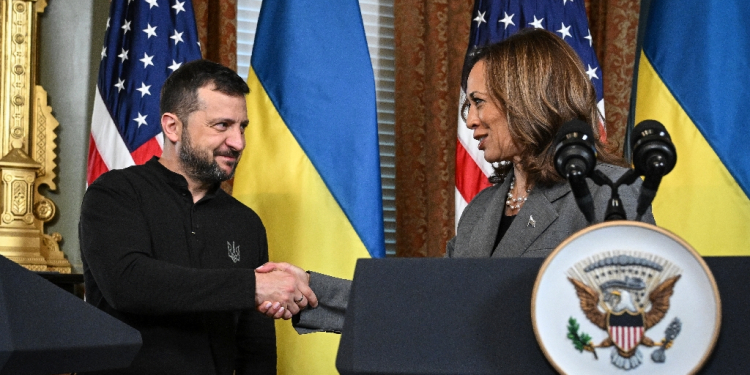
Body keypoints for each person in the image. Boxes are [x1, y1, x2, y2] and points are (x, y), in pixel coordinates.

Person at [257, 28, 655, 331]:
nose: (469, 120)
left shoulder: (608, 192)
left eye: (478, 102)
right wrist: (310, 289)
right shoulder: (482, 210)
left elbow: (637, 319)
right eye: (468, 105)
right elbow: (432, 305)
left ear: (526, 100)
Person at [79, 59, 317, 375]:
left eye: (242, 126)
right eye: (222, 125)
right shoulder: (115, 193)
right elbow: (128, 283)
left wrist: (266, 289)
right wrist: (252, 286)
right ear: (172, 126)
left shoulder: (245, 222)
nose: (238, 142)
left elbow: (255, 346)